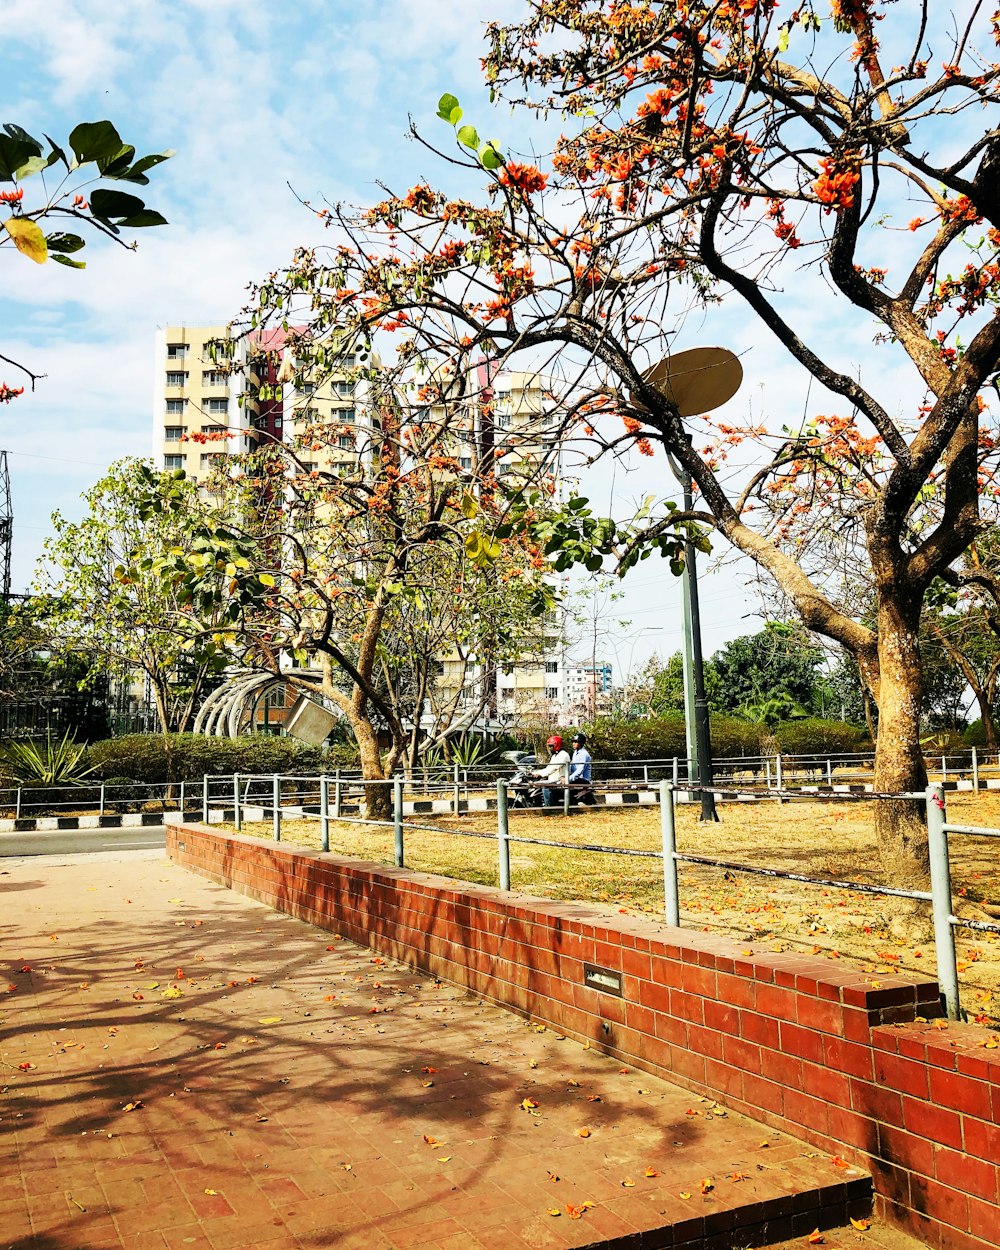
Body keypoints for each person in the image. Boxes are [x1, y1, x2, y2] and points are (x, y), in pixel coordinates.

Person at [533, 734, 571, 812]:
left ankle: (549, 809)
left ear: (556, 745)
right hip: (553, 781)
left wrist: (540, 774)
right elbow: (548, 768)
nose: (550, 748)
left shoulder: (563, 755)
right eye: (549, 746)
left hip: (560, 781)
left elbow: (553, 768)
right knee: (536, 783)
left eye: (551, 746)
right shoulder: (555, 756)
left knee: (546, 787)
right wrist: (533, 772)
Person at [569, 733, 595, 804]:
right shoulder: (575, 752)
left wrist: (569, 779)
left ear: (581, 743)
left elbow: (580, 770)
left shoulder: (584, 754)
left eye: (575, 742)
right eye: (573, 742)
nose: (573, 744)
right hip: (577, 778)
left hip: (583, 780)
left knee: (568, 791)